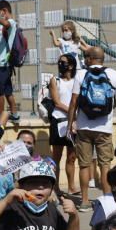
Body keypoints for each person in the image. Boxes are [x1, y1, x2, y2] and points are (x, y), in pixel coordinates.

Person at [68, 47, 116, 210]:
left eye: (85, 57)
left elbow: (74, 101)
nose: (84, 59)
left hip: (84, 128)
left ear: (90, 58)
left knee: (84, 165)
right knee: (105, 165)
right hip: (104, 128)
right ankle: (108, 201)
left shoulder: (81, 74)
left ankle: (84, 201)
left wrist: (71, 123)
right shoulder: (114, 74)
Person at [48, 53, 78, 196]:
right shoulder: (55, 80)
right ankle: (55, 187)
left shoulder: (77, 81)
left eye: (64, 62)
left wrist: (75, 117)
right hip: (58, 120)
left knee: (72, 157)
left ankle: (71, 187)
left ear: (71, 65)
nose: (61, 64)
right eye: (59, 62)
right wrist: (73, 112)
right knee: (57, 157)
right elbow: (57, 102)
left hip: (73, 123)